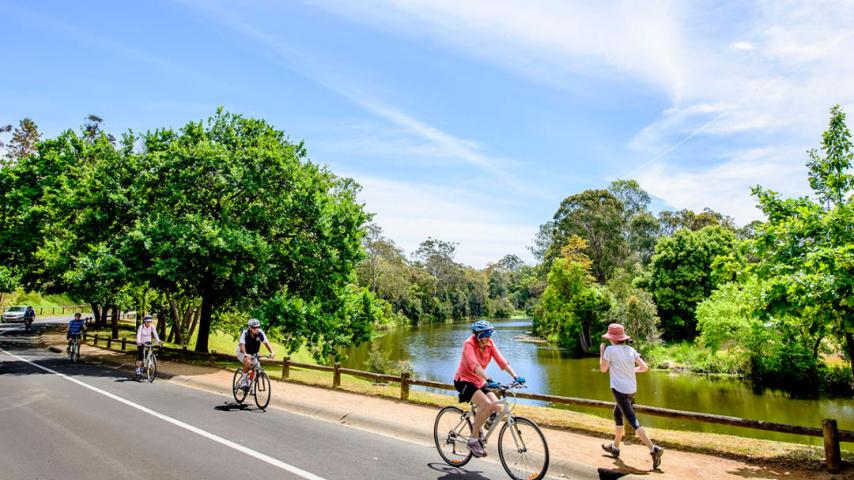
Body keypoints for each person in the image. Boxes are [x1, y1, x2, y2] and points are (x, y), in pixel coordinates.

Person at [453, 320, 525, 458]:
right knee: (486, 404)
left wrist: (516, 376)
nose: (489, 338)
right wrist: (489, 379)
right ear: (478, 335)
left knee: (497, 408)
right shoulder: (469, 344)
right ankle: (473, 440)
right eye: (486, 335)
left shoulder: (489, 344)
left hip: (479, 381)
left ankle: (479, 423)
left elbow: (501, 362)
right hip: (464, 381)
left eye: (490, 335)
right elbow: (475, 366)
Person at [599, 323, 664, 470]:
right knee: (617, 414)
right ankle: (615, 447)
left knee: (633, 421)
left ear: (611, 338)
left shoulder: (609, 350)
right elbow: (645, 367)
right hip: (631, 390)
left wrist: (601, 353)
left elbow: (603, 369)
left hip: (619, 390)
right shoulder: (630, 349)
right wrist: (629, 370)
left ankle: (653, 448)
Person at [236, 318, 275, 388]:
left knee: (257, 370)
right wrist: (245, 354)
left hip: (253, 353)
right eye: (253, 327)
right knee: (248, 362)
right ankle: (243, 380)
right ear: (249, 327)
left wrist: (272, 352)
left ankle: (250, 382)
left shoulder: (260, 333)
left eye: (257, 327)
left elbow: (266, 343)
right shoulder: (245, 333)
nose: (255, 328)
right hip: (242, 352)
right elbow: (241, 344)